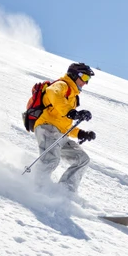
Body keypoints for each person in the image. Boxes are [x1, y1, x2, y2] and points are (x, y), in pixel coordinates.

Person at [32, 62, 97, 194]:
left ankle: (65, 192)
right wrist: (72, 113)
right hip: (47, 127)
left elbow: (64, 124)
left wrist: (81, 134)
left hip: (60, 134)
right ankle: (33, 188)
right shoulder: (62, 85)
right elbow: (52, 93)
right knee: (51, 160)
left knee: (82, 159)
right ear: (74, 75)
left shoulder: (72, 97)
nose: (86, 83)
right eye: (84, 78)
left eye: (88, 80)